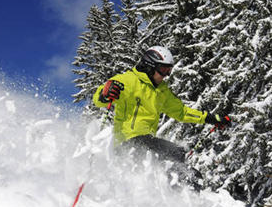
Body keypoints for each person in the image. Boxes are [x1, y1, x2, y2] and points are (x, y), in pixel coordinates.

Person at [93, 45, 231, 188]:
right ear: (149, 65)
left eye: (169, 70)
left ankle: (172, 192)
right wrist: (105, 94)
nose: (166, 74)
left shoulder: (161, 91)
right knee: (172, 153)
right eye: (163, 69)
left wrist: (209, 118)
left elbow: (181, 112)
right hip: (127, 141)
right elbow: (98, 98)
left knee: (178, 153)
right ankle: (175, 184)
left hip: (146, 141)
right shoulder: (128, 80)